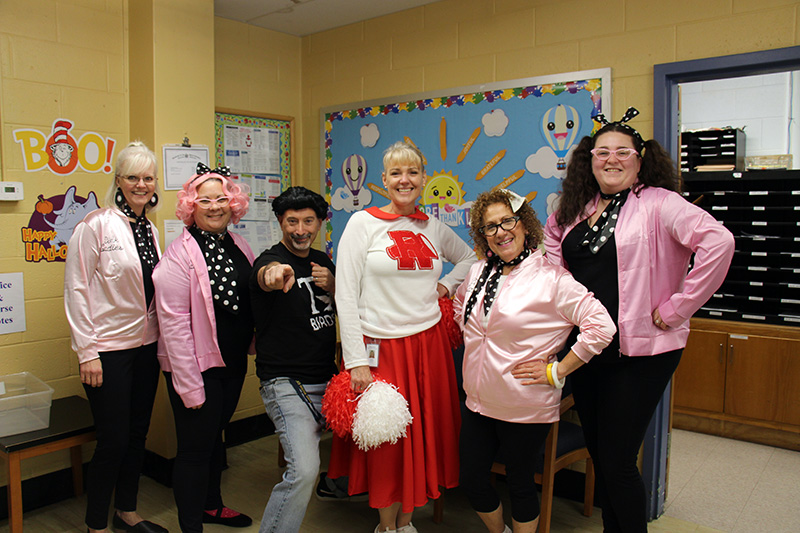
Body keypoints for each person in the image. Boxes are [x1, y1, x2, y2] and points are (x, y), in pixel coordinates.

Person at [543, 108, 735, 533]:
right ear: (588, 159)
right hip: (588, 347)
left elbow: (719, 242)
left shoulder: (661, 204)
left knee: (616, 459)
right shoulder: (578, 206)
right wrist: (560, 288)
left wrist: (678, 307)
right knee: (601, 452)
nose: (611, 159)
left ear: (640, 158)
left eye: (622, 152)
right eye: (602, 152)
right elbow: (551, 240)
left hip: (641, 353)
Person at [328, 141, 477, 533]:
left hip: (428, 347)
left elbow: (469, 257)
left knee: (421, 436)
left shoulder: (433, 226)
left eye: (412, 172)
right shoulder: (362, 224)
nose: (405, 180)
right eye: (396, 173)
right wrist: (356, 359)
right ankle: (386, 525)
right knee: (389, 443)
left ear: (423, 179)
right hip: (381, 351)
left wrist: (445, 286)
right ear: (384, 180)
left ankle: (407, 524)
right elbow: (345, 294)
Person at [453, 189, 615, 533]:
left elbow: (601, 327)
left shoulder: (552, 279)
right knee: (471, 479)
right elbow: (460, 309)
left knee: (521, 484)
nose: (500, 232)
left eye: (507, 221)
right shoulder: (480, 271)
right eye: (490, 227)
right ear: (483, 236)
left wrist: (558, 370)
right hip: (477, 401)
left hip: (523, 405)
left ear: (525, 225)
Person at [64, 141, 168, 533]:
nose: (141, 184)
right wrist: (86, 352)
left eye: (148, 177)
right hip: (107, 351)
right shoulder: (95, 226)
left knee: (138, 433)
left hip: (145, 346)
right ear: (118, 180)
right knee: (113, 440)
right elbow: (76, 290)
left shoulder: (149, 229)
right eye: (133, 177)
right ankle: (96, 525)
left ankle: (127, 511)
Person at [153, 164, 254, 532]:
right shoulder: (179, 255)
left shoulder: (238, 244)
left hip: (231, 362)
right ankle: (191, 525)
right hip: (195, 367)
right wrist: (189, 384)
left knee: (215, 437)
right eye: (204, 200)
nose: (214, 207)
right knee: (195, 449)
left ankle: (212, 506)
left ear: (234, 203)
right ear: (190, 206)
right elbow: (174, 325)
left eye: (222, 198)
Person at [249, 186, 338, 532]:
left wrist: (333, 285)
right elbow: (264, 275)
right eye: (291, 222)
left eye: (308, 221)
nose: (300, 229)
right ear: (280, 223)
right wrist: (273, 276)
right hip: (286, 383)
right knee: (302, 470)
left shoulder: (324, 263)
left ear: (319, 224)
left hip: (330, 382)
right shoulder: (268, 260)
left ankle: (342, 487)